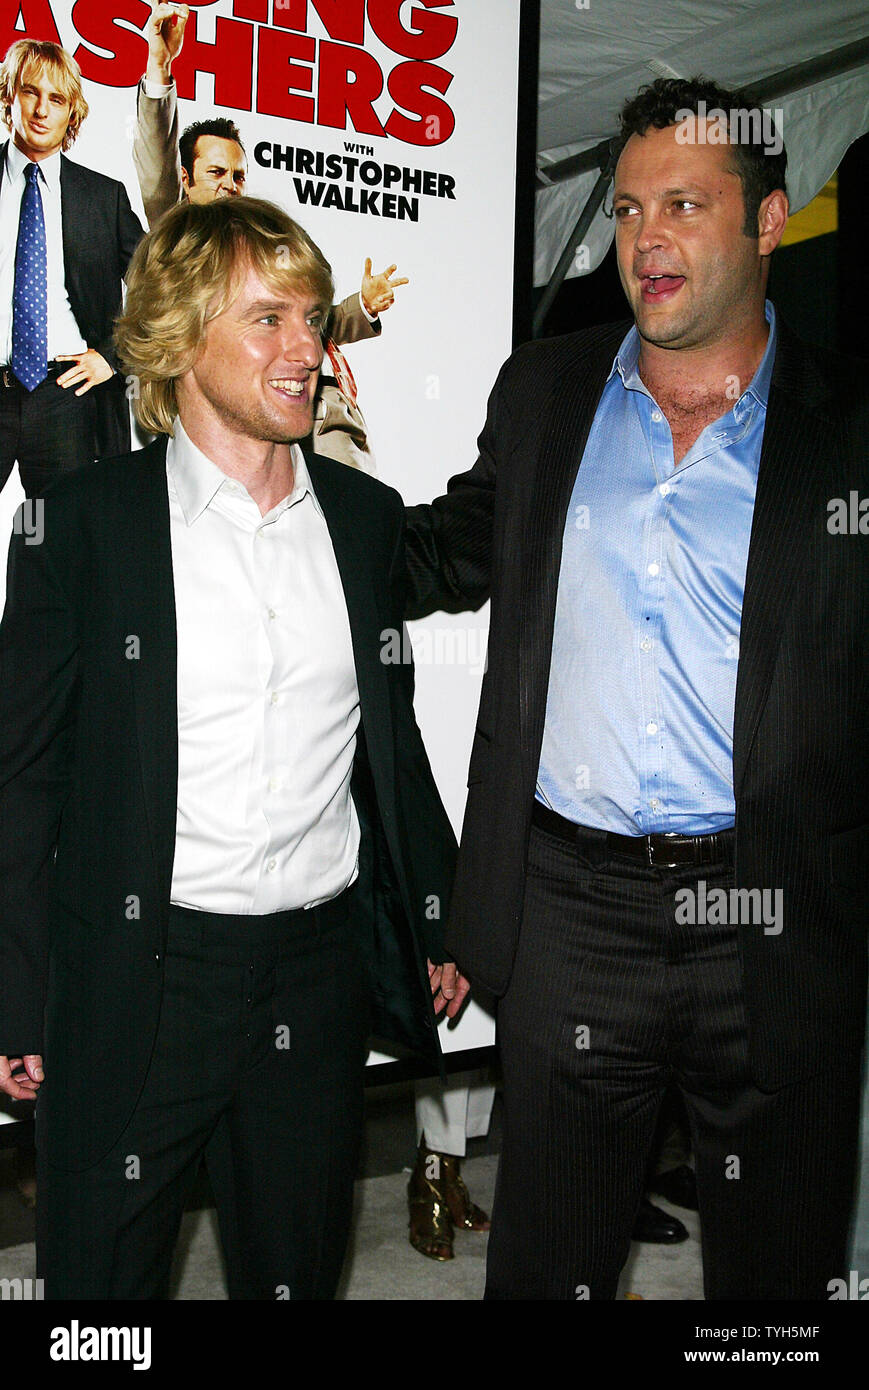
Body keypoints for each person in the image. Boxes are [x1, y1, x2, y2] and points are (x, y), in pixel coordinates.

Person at [404, 76, 868, 1299]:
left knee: (775, 1289)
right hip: (573, 914)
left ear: (767, 223)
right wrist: (264, 485)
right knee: (546, 1266)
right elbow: (445, 548)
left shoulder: (850, 430)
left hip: (770, 914)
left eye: (681, 203)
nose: (642, 239)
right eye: (623, 208)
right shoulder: (546, 391)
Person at [0, 195, 468, 1300]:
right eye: (268, 320)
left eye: (312, 318)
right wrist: (16, 999)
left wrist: (438, 911)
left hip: (312, 972)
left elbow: (387, 741)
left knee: (295, 1272)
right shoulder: (82, 525)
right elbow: (22, 780)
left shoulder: (362, 519)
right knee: (97, 1298)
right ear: (178, 339)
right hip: (134, 973)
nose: (306, 349)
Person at [132, 1, 406, 473]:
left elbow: (302, 327)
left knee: (346, 526)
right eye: (216, 171)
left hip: (318, 415)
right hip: (227, 428)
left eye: (238, 175)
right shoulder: (181, 239)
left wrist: (359, 306)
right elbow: (155, 167)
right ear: (186, 177)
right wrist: (160, 68)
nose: (229, 184)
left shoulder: (264, 241)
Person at [0, 39, 143, 499]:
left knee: (50, 537)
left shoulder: (105, 198)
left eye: (56, 99)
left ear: (72, 113)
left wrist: (111, 357)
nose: (41, 109)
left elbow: (166, 291)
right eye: (29, 92)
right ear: (8, 97)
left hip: (65, 396)